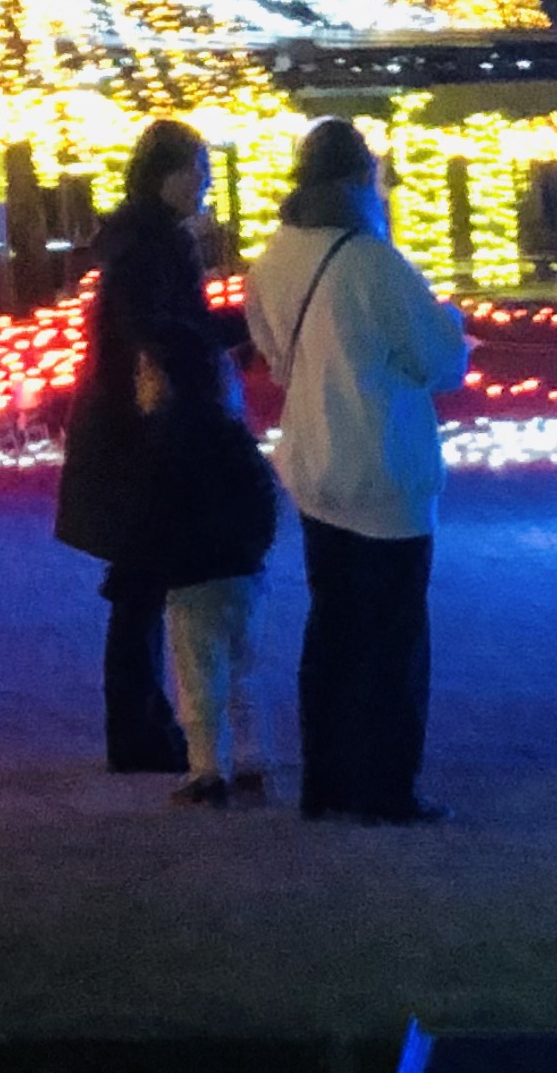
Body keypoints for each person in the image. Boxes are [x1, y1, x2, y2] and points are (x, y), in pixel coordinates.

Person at [246, 117, 470, 825]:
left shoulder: (272, 259)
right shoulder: (375, 262)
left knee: (332, 626)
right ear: (357, 180)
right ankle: (386, 784)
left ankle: (328, 778)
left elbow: (275, 358)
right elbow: (440, 363)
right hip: (383, 466)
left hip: (313, 462)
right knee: (394, 635)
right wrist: (453, 326)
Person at [54, 118, 248, 773]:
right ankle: (136, 729)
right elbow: (158, 329)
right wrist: (233, 328)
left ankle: (141, 724)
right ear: (162, 174)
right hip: (143, 438)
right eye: (195, 170)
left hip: (131, 434)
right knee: (141, 582)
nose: (204, 184)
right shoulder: (149, 246)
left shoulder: (144, 239)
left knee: (140, 582)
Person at [128, 338, 280, 805]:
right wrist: (253, 549)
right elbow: (263, 496)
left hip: (192, 574)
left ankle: (207, 769)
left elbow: (153, 513)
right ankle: (253, 760)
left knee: (198, 674)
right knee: (243, 666)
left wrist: (150, 565)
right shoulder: (231, 431)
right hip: (241, 570)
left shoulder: (162, 438)